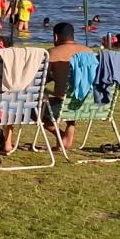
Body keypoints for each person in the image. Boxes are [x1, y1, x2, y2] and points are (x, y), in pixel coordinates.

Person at [42, 22, 93, 150]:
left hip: (63, 106)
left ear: (55, 37)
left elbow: (41, 79)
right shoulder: (89, 52)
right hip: (87, 105)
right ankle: (69, 132)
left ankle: (60, 135)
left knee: (32, 109)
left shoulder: (52, 53)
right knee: (72, 94)